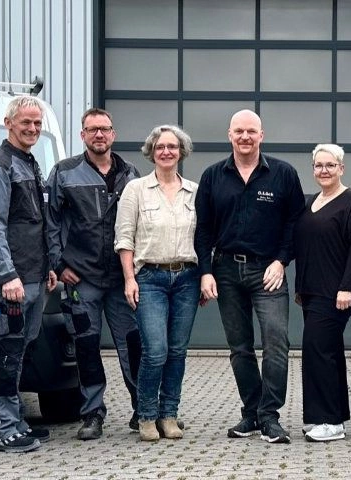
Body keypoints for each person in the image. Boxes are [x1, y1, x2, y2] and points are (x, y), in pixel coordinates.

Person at [195, 110, 305, 444]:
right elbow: (203, 229)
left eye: (251, 131)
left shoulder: (283, 174)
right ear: (230, 134)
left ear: (261, 135)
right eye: (239, 131)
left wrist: (281, 261)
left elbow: (295, 223)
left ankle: (270, 417)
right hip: (226, 270)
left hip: (268, 271)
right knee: (239, 348)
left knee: (276, 342)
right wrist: (205, 271)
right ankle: (252, 413)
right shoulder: (213, 176)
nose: (245, 137)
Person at [45, 108, 142, 440]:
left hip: (120, 278)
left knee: (133, 345)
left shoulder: (130, 174)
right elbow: (50, 222)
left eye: (104, 129)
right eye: (92, 129)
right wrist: (59, 264)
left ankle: (142, 409)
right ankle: (92, 413)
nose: (99, 135)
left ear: (113, 134)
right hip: (81, 278)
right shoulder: (64, 173)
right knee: (86, 347)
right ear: (82, 135)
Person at [0, 95, 58, 453]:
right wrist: (6, 274)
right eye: (26, 122)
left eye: (37, 123)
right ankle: (2, 426)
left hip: (34, 275)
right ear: (8, 123)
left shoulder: (28, 162)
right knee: (3, 352)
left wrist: (48, 267)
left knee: (19, 349)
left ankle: (15, 419)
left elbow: (34, 223)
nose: (33, 128)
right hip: (12, 280)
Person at [115, 125, 200, 442]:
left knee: (177, 351)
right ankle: (146, 416)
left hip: (187, 279)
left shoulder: (194, 191)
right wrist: (129, 279)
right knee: (155, 350)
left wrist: (205, 277)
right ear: (151, 151)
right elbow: (124, 238)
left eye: (172, 147)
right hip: (149, 278)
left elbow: (203, 238)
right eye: (161, 146)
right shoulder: (136, 190)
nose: (166, 151)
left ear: (181, 152)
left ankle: (169, 415)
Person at [294, 144, 351, 443]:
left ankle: (331, 422)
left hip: (337, 292)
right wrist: (300, 287)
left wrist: (347, 287)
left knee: (318, 351)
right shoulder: (312, 201)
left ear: (341, 168)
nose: (324, 170)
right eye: (319, 165)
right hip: (313, 291)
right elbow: (306, 247)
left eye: (330, 165)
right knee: (328, 351)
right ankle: (327, 417)